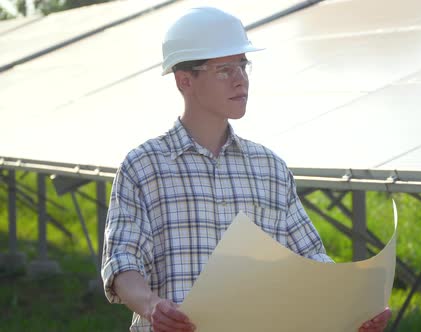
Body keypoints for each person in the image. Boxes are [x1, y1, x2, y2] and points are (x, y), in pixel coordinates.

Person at [101, 6, 391, 332]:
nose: (240, 79)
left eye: (242, 65)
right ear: (185, 81)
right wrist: (152, 306)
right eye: (224, 70)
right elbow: (122, 263)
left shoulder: (269, 168)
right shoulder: (144, 167)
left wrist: (352, 307)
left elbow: (310, 258)